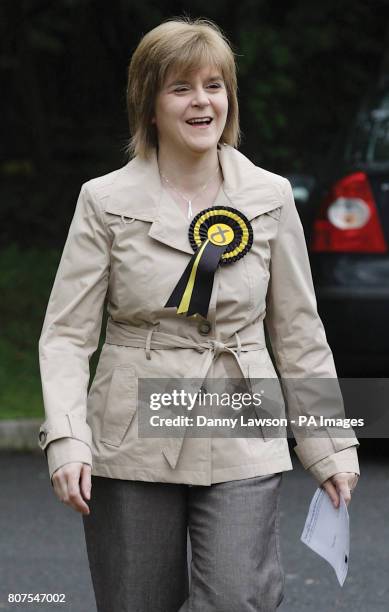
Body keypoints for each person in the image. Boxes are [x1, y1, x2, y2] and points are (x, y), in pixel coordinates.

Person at [38, 17, 360, 612]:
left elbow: (298, 332)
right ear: (149, 102)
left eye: (214, 85)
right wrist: (68, 438)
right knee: (137, 600)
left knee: (240, 597)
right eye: (181, 86)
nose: (202, 101)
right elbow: (65, 335)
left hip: (240, 416)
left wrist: (329, 445)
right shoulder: (103, 201)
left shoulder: (270, 196)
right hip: (131, 426)